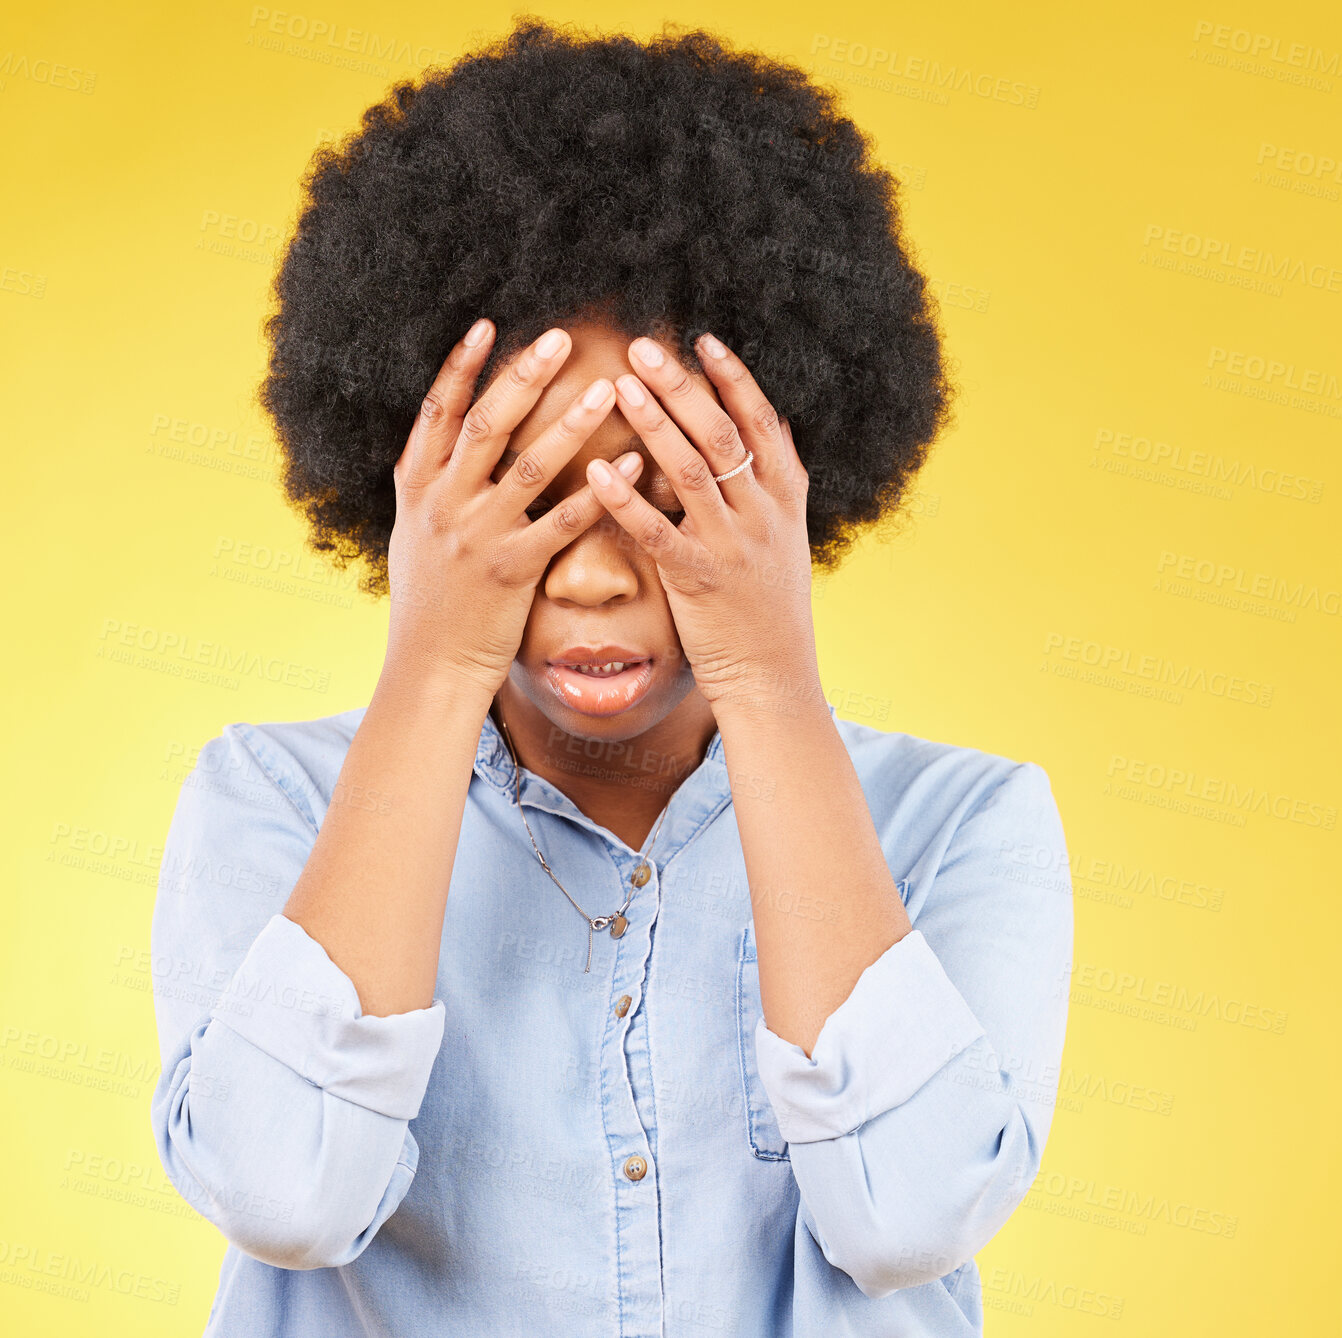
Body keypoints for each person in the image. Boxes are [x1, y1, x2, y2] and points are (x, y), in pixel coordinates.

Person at [150, 18, 1073, 1336]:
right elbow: (284, 1192)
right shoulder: (270, 801)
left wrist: (763, 666)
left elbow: (908, 1214)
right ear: (413, 484)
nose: (591, 574)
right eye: (522, 491)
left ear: (793, 468)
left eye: (665, 490)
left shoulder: (962, 825)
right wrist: (436, 649)